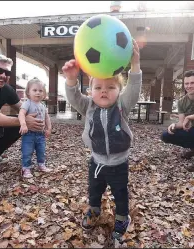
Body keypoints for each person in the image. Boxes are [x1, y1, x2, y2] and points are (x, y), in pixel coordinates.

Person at [63, 40, 142, 242]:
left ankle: (123, 217)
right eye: (98, 87)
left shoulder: (122, 106)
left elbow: (133, 88)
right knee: (94, 190)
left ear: (119, 91)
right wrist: (71, 80)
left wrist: (135, 65)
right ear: (91, 92)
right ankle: (94, 210)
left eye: (110, 87)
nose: (103, 91)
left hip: (119, 164)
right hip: (96, 162)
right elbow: (74, 98)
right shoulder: (88, 107)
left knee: (120, 192)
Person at [18, 79, 52, 178]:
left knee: (41, 150)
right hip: (29, 133)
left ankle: (41, 164)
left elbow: (47, 117)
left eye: (40, 91)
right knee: (27, 151)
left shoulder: (43, 105)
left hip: (40, 134)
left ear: (44, 93)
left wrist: (49, 128)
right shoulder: (27, 103)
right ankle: (26, 168)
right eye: (35, 90)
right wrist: (23, 124)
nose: (38, 92)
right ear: (28, 92)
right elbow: (21, 114)